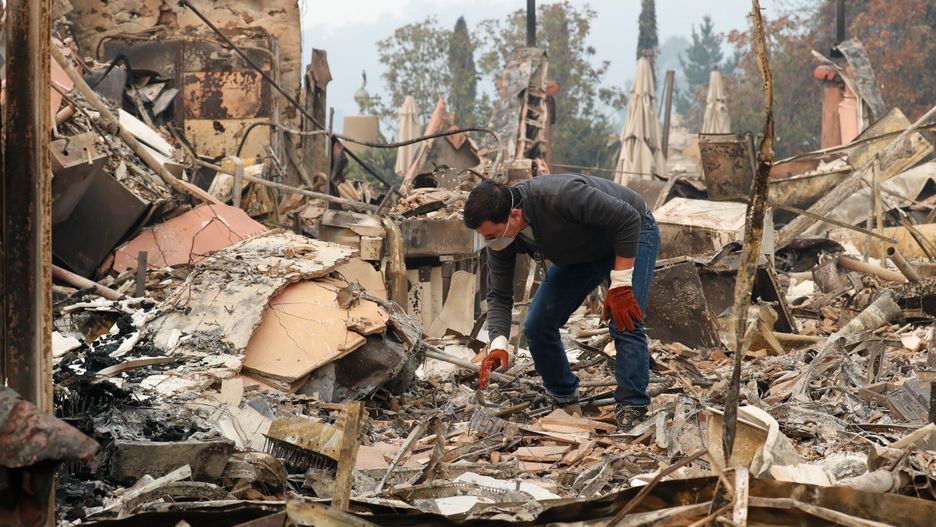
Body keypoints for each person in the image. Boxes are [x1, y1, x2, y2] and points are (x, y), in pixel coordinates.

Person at [463, 174, 659, 431]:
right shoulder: (502, 238)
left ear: (515, 215)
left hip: (631, 231)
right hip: (582, 253)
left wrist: (621, 285)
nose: (490, 242)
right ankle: (564, 397)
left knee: (624, 317)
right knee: (538, 325)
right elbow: (499, 294)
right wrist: (498, 344)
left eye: (492, 235)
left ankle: (632, 405)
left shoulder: (560, 196)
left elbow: (628, 218)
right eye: (485, 237)